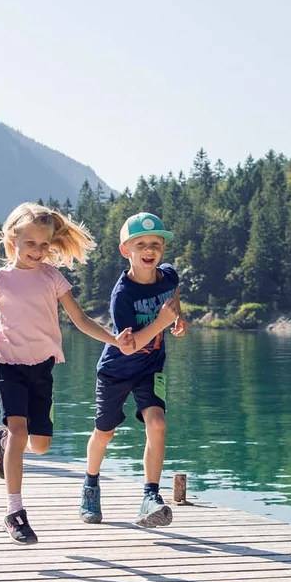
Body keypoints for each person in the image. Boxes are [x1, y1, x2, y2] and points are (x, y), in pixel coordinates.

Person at [0, 203, 129, 544]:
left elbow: (80, 319)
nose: (39, 251)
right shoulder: (0, 280)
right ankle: (15, 511)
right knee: (19, 430)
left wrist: (114, 339)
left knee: (39, 445)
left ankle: (1, 441)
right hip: (8, 365)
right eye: (31, 244)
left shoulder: (52, 277)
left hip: (42, 367)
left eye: (44, 245)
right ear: (13, 240)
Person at [82, 212, 187, 527]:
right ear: (125, 249)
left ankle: (150, 496)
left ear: (163, 248)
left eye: (156, 243)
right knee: (105, 432)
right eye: (140, 243)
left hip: (151, 369)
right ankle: (90, 484)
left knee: (157, 424)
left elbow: (174, 295)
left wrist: (177, 319)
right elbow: (128, 344)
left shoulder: (168, 276)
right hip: (116, 370)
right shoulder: (122, 295)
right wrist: (161, 323)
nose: (149, 248)